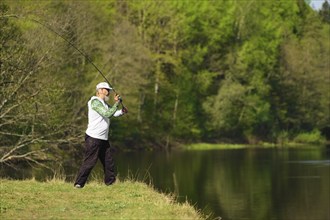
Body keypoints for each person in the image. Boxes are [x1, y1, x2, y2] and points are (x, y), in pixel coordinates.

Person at [74, 82, 128, 188]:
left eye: (109, 90)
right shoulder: (95, 102)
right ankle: (79, 184)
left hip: (103, 138)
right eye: (107, 90)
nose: (108, 92)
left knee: (109, 162)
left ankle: (110, 183)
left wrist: (121, 111)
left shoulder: (103, 103)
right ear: (100, 90)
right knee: (90, 162)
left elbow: (112, 113)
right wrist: (116, 103)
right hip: (93, 138)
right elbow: (107, 113)